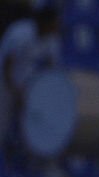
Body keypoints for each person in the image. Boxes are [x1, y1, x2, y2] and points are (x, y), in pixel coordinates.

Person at [0, 5, 60, 149]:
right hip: (4, 81)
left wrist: (41, 91)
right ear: (44, 22)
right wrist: (14, 90)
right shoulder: (20, 33)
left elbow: (52, 67)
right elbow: (7, 64)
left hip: (26, 84)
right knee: (2, 120)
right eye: (53, 24)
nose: (56, 27)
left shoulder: (51, 39)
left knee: (34, 123)